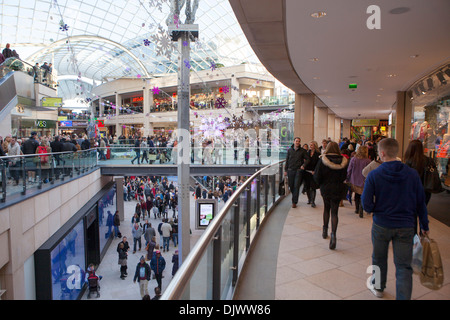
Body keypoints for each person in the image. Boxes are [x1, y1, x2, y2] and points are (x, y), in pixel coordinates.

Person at [362, 138, 429, 300]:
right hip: (406, 226)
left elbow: (366, 204)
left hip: (381, 224)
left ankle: (378, 287)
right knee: (404, 266)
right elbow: (421, 202)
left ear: (382, 153)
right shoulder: (412, 174)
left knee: (378, 258)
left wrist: (375, 210)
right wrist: (424, 226)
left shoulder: (374, 175)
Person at [313, 141, 348, 250]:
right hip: (338, 188)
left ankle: (324, 230)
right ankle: (333, 234)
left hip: (326, 188)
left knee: (326, 208)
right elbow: (344, 176)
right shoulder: (344, 160)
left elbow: (317, 175)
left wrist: (319, 184)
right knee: (335, 212)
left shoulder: (323, 160)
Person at [403, 140, 433, 205]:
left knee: (413, 211)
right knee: (423, 209)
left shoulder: (409, 161)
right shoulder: (429, 160)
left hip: (413, 190)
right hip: (426, 189)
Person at [346, 145, 372, 218]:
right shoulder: (368, 161)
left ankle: (356, 208)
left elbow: (349, 170)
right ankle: (361, 208)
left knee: (356, 195)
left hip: (354, 180)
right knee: (362, 195)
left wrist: (347, 178)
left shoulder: (353, 159)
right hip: (363, 181)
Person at [284, 137, 309, 208]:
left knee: (296, 186)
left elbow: (308, 159)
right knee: (291, 186)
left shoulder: (303, 151)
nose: (297, 142)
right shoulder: (289, 150)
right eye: (296, 141)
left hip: (298, 171)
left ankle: (294, 202)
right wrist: (285, 170)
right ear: (294, 142)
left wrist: (303, 165)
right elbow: (287, 160)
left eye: (299, 141)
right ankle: (294, 197)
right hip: (290, 170)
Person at [303, 141, 321, 208]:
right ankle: (309, 199)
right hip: (307, 171)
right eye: (310, 145)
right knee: (307, 186)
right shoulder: (307, 153)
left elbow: (319, 164)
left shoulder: (318, 154)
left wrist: (315, 171)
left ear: (315, 146)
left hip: (314, 172)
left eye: (312, 145)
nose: (310, 146)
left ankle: (313, 201)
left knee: (313, 187)